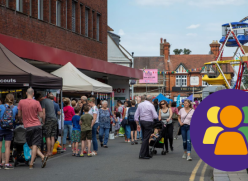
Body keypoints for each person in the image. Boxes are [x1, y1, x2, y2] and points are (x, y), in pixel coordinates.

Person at [18, 88, 48, 169]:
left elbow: (19, 115)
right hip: (37, 125)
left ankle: (31, 163)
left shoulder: (21, 102)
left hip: (28, 126)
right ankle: (41, 157)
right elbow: (41, 115)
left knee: (31, 144)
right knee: (34, 145)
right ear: (33, 94)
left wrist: (21, 119)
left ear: (26, 93)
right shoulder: (37, 102)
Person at [134, 95, 158, 159]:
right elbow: (155, 116)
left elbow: (136, 115)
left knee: (145, 137)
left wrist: (137, 123)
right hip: (148, 121)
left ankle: (146, 153)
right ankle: (142, 154)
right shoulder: (151, 105)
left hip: (142, 121)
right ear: (151, 100)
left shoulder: (140, 104)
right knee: (146, 138)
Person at [36, 93, 58, 157]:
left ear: (39, 98)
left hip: (48, 119)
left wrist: (43, 121)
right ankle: (51, 151)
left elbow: (43, 112)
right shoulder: (50, 101)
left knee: (47, 136)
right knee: (52, 136)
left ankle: (48, 152)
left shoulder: (43, 102)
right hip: (54, 119)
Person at [0, 94, 18, 169]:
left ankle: (0, 164)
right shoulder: (15, 108)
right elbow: (18, 117)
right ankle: (7, 164)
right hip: (9, 129)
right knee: (7, 147)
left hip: (0, 128)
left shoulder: (1, 106)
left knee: (0, 146)